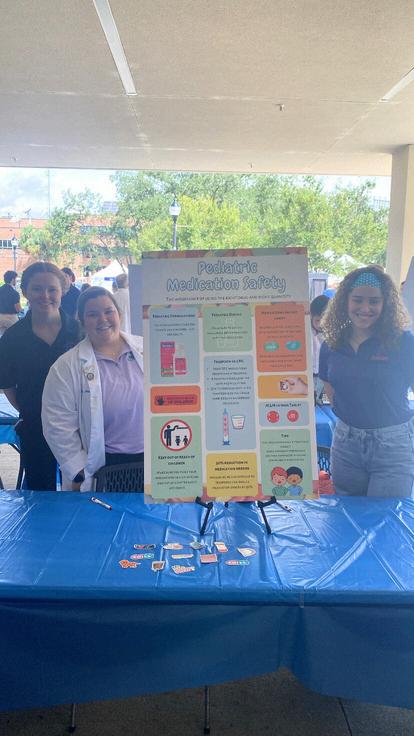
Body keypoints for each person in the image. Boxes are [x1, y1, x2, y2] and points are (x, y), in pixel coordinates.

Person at [319, 265, 414, 498]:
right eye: (358, 300)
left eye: (374, 301)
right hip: (346, 445)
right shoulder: (332, 343)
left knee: (387, 515)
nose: (365, 308)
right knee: (347, 513)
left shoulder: (402, 342)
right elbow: (330, 388)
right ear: (345, 301)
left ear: (386, 304)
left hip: (392, 445)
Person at [42, 286, 143, 491]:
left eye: (108, 311)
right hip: (105, 468)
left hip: (156, 462)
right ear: (82, 320)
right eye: (93, 314)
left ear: (119, 314)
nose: (102, 319)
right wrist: (79, 470)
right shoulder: (65, 367)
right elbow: (57, 424)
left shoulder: (147, 348)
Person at [0, 262, 81, 490]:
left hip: (78, 426)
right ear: (25, 292)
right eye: (37, 289)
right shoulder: (13, 337)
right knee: (39, 492)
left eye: (52, 289)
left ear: (62, 291)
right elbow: (7, 384)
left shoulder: (78, 331)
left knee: (79, 491)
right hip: (35, 426)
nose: (45, 295)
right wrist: (30, 410)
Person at [310, 294, 329, 402]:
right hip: (310, 372)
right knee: (310, 396)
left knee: (319, 395)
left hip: (322, 373)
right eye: (317, 320)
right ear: (311, 316)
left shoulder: (330, 332)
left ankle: (318, 399)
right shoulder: (307, 331)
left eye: (324, 321)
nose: (321, 324)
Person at [0, 270, 21, 336]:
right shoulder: (15, 293)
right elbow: (18, 309)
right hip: (11, 318)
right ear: (12, 279)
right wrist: (22, 310)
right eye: (15, 279)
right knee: (17, 335)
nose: (16, 281)